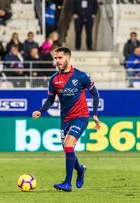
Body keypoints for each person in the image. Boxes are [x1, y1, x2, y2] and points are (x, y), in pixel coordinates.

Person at [32, 47, 100, 192]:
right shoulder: (54, 80)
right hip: (65, 119)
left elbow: (95, 94)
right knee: (68, 150)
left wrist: (94, 114)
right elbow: (50, 100)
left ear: (68, 58)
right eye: (55, 58)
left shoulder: (81, 76)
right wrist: (41, 111)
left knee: (69, 144)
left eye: (60, 58)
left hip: (81, 117)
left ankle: (67, 183)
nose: (57, 61)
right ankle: (80, 170)